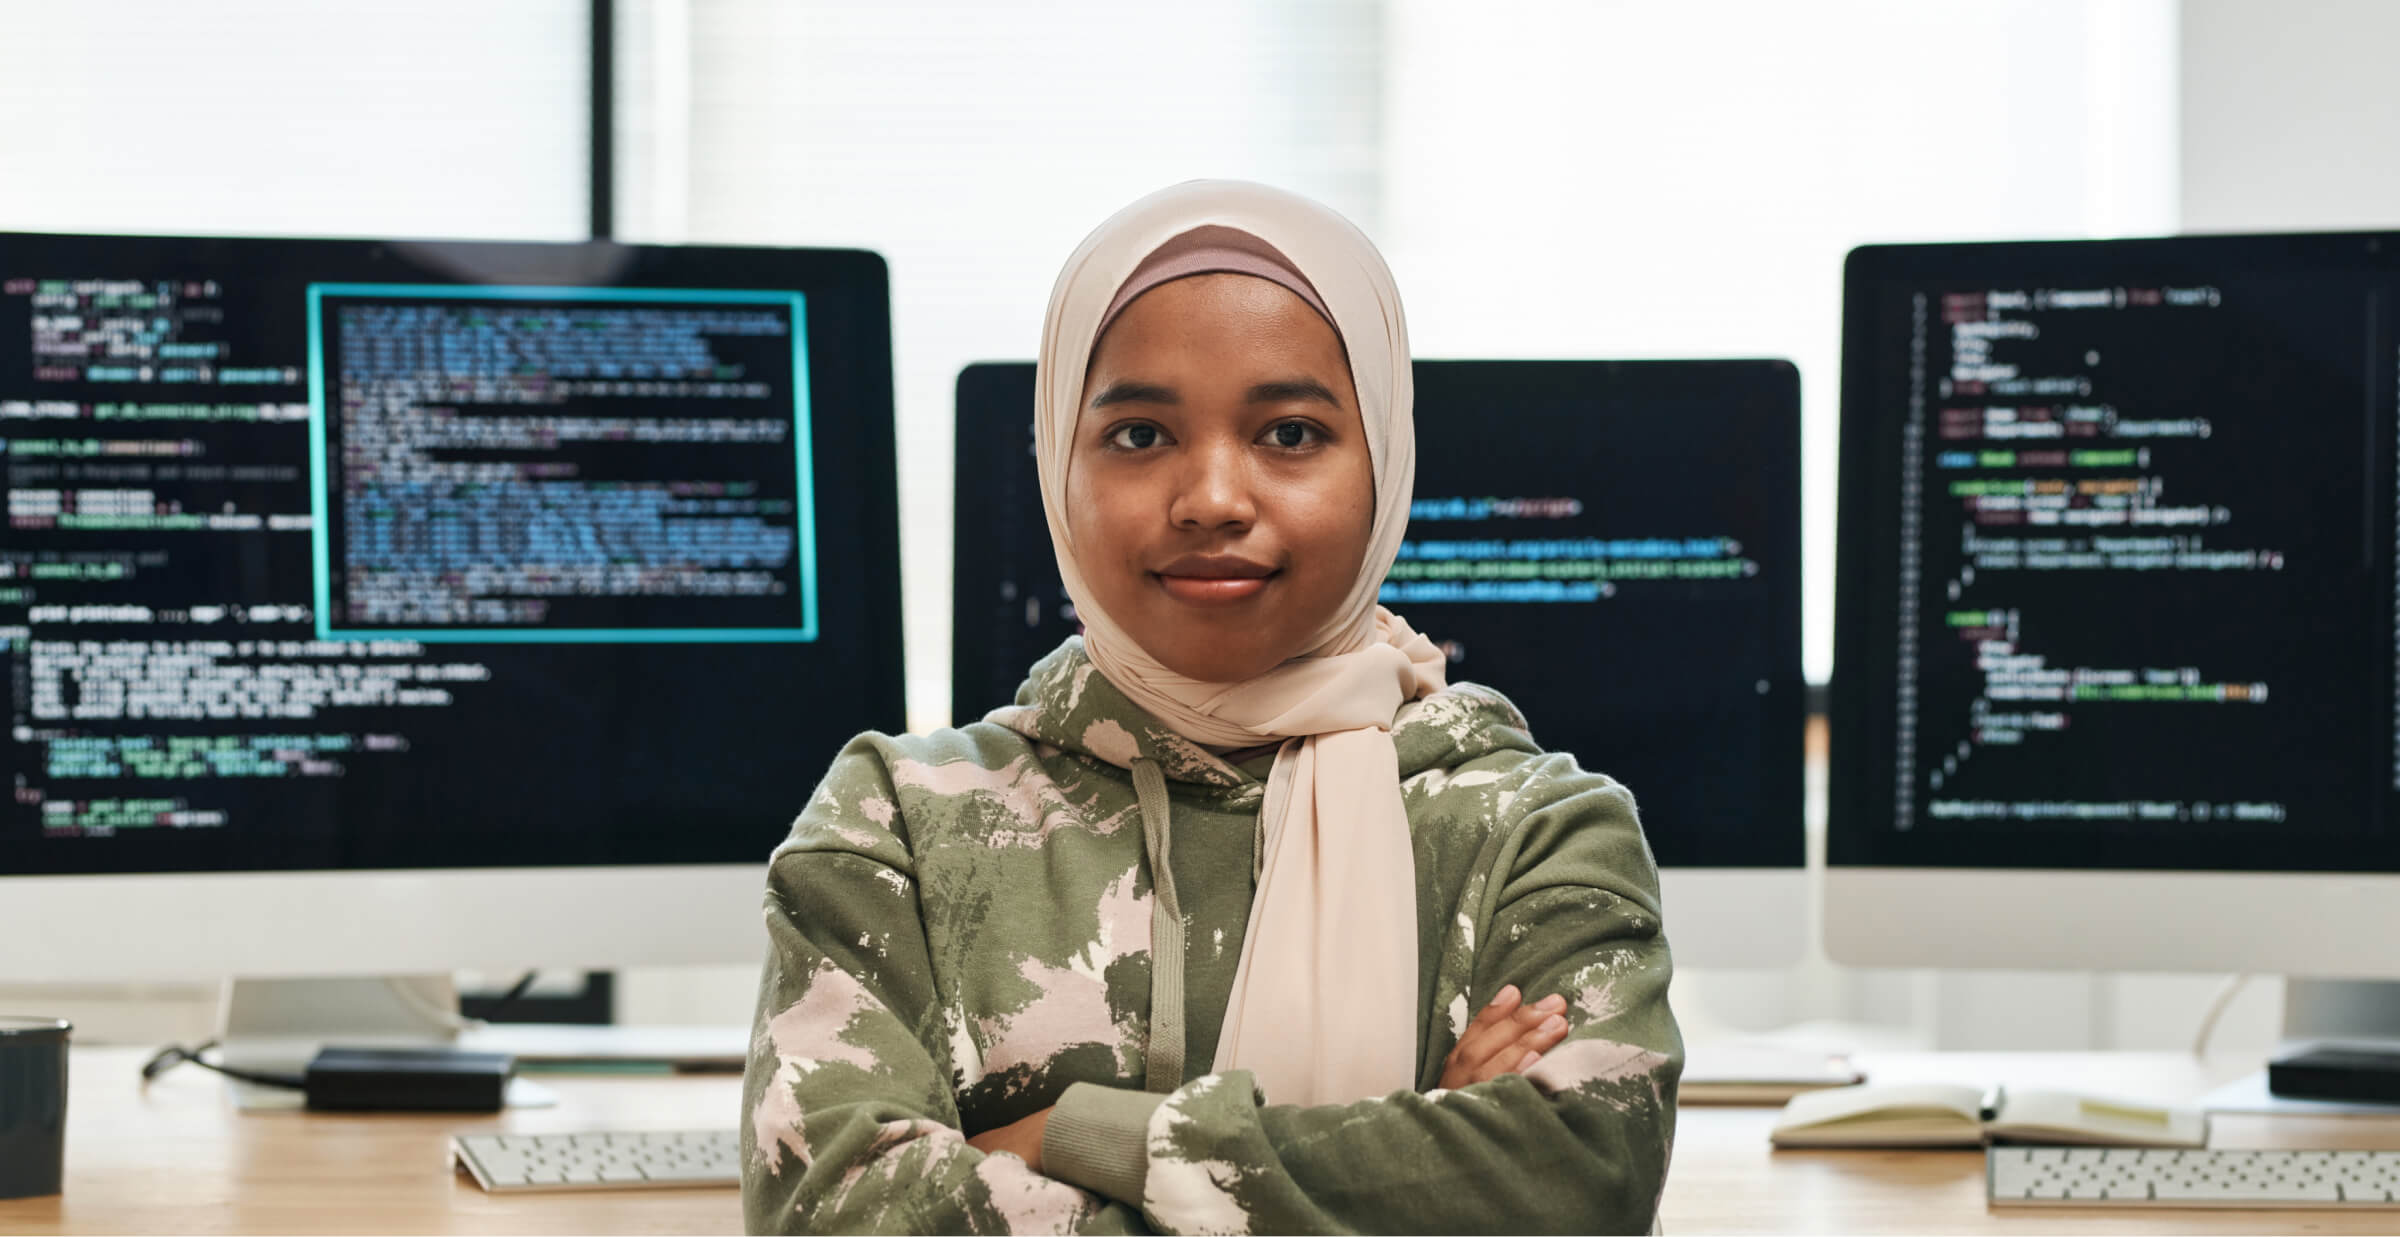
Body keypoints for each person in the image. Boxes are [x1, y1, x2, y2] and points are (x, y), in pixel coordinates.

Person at [740, 180, 1680, 1235]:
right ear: (1060, 464)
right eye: (1140, 435)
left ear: (1384, 461)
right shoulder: (898, 822)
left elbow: (1572, 1185)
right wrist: (1412, 1154)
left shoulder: (1538, 834)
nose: (1214, 498)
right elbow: (836, 1217)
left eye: (1289, 432)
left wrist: (1066, 1134)